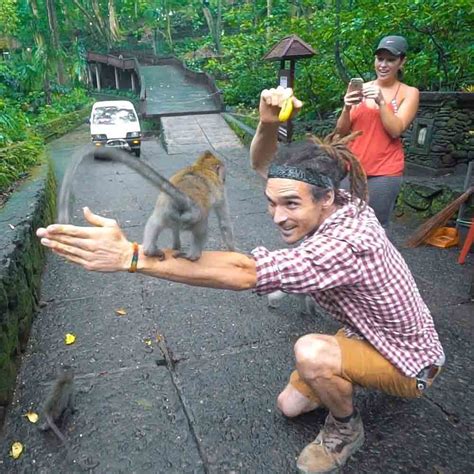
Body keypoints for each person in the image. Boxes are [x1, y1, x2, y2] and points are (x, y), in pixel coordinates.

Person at [37, 88, 444, 473]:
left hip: (409, 360)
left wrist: (132, 256)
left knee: (311, 352)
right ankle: (343, 373)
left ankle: (345, 428)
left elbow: (246, 272)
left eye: (291, 205)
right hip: (364, 329)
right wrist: (267, 124)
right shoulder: (337, 197)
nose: (277, 216)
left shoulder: (346, 244)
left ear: (326, 199)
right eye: (272, 202)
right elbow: (264, 165)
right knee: (288, 406)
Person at [335, 35, 420, 231]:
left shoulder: (409, 92)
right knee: (342, 223)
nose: (383, 64)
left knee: (373, 227)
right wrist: (346, 107)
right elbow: (341, 132)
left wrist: (382, 102)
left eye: (390, 60)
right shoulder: (363, 89)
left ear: (402, 62)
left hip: (384, 171)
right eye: (380, 59)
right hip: (352, 168)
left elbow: (396, 130)